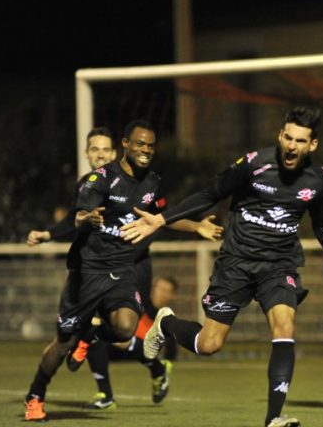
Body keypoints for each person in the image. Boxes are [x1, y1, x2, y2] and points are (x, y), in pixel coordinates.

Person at [120, 106, 323, 427]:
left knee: (285, 327)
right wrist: (161, 219)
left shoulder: (319, 179)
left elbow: (321, 225)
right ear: (280, 136)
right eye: (288, 137)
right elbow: (210, 193)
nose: (291, 146)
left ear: (312, 145)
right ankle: (166, 323)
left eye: (300, 141)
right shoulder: (254, 164)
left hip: (279, 265)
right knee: (209, 344)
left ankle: (273, 418)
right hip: (236, 263)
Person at [23, 120, 223, 422]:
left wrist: (196, 226)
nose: (145, 150)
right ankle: (36, 395)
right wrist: (86, 218)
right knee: (64, 342)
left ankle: (91, 336)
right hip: (88, 271)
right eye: (140, 144)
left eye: (150, 146)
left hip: (122, 268)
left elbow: (162, 217)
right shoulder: (100, 179)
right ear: (126, 144)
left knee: (126, 327)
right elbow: (78, 216)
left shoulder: (152, 182)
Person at [83, 276, 181, 409]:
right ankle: (106, 396)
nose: (162, 294)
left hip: (140, 352)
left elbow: (171, 353)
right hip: (118, 347)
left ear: (172, 296)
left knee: (128, 340)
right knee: (95, 335)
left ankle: (158, 369)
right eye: (160, 289)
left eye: (166, 291)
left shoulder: (167, 320)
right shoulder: (138, 304)